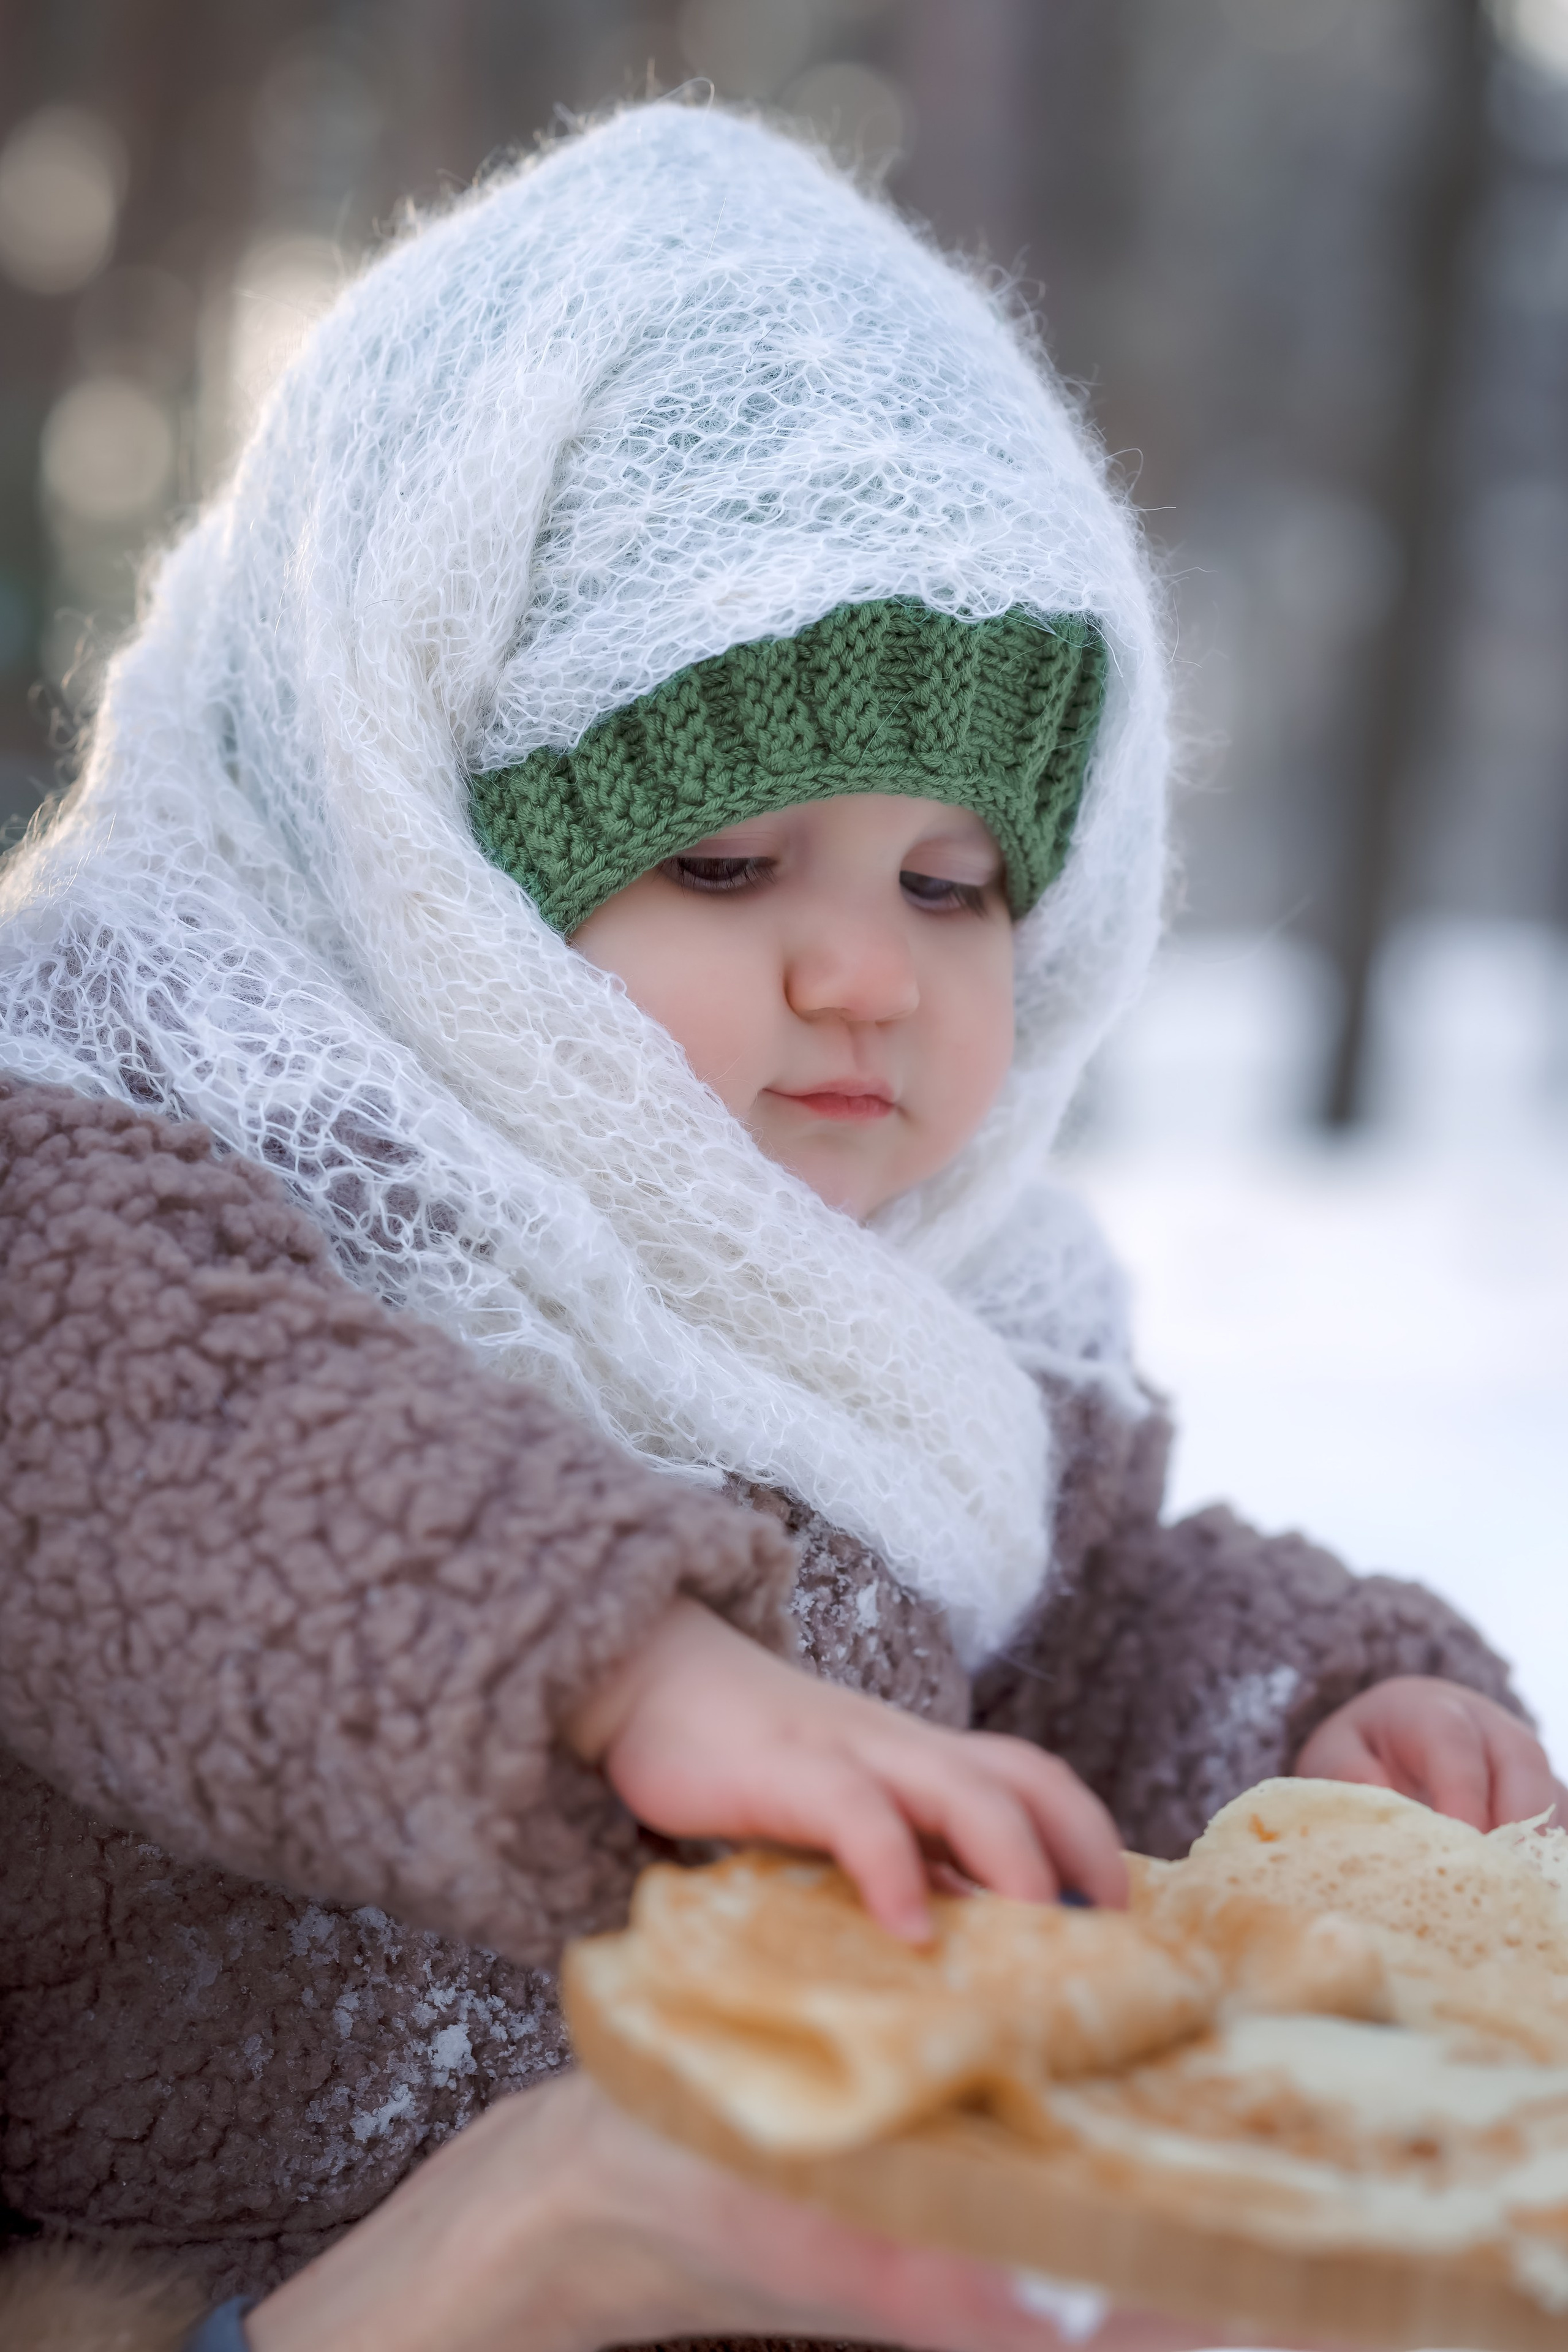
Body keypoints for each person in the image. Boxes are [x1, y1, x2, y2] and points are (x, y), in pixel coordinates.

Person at [0, 97, 1553, 2350]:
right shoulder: (139, 1151)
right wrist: (625, 1661)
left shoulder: (925, 1330)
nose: (868, 974)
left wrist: (1321, 1708)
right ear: (426, 871)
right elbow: (138, 1428)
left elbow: (1080, 1630)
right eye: (726, 867)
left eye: (953, 885)